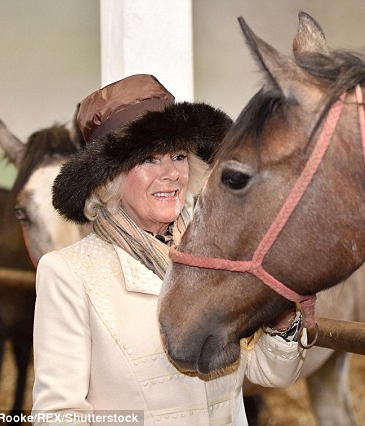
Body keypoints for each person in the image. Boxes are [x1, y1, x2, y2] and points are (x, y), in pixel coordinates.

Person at [32, 74, 305, 426]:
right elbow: (57, 415)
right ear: (110, 178)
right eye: (148, 160)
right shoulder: (69, 274)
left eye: (178, 156)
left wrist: (282, 320)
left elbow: (272, 374)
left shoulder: (216, 256)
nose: (171, 174)